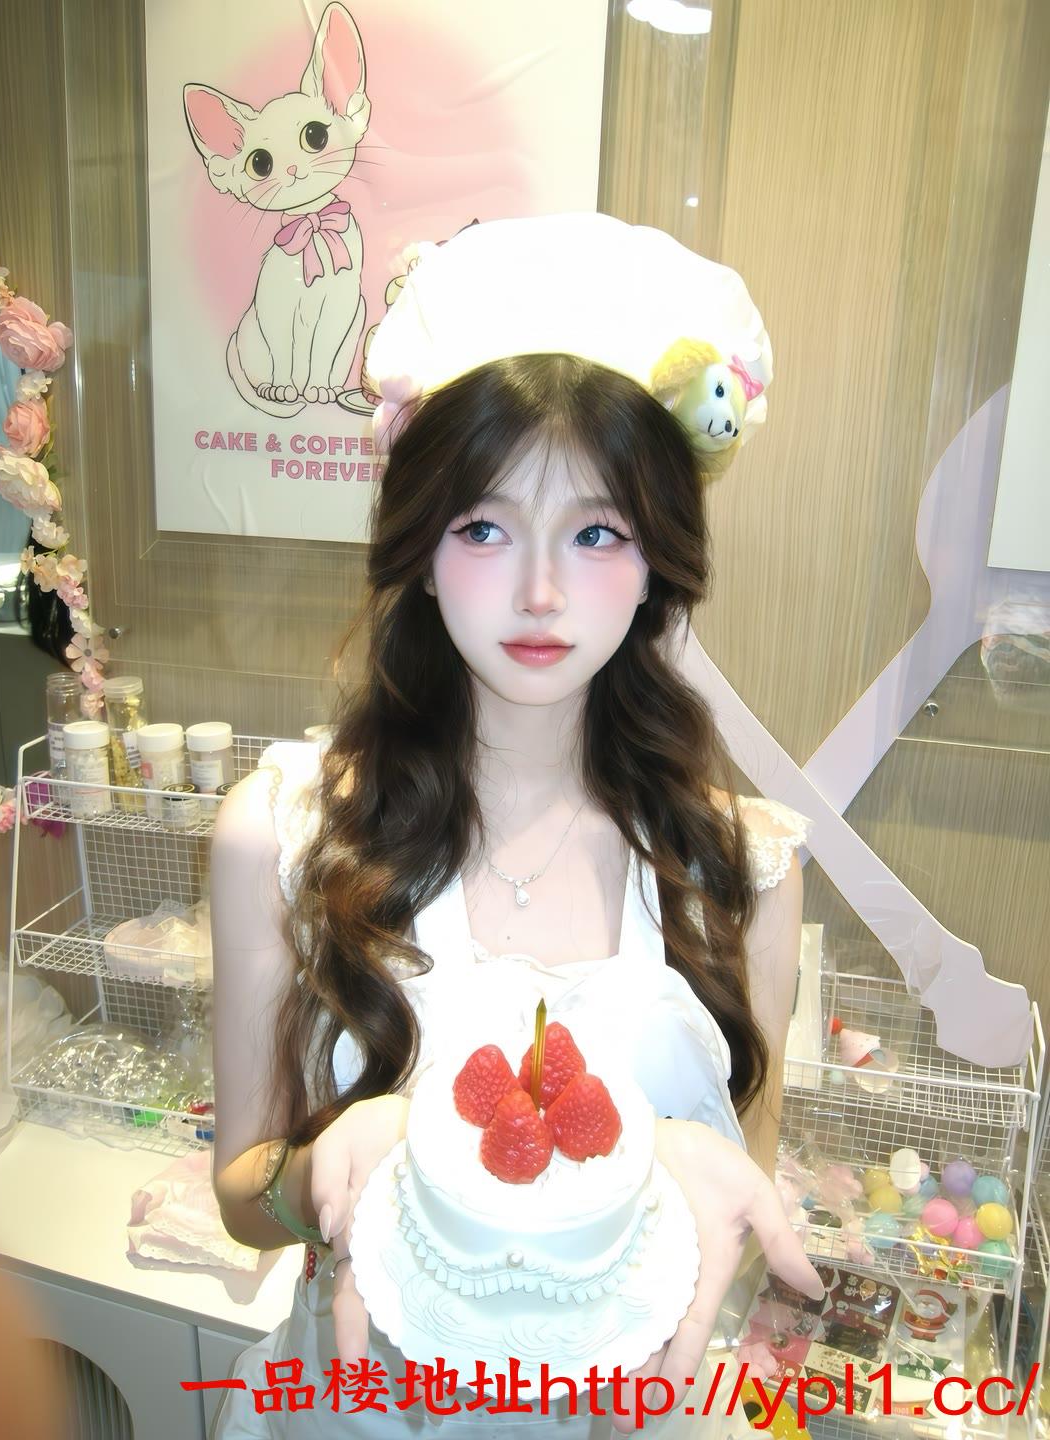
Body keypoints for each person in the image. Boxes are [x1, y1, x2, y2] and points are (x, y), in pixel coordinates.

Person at [207, 213, 825, 1439]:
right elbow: (240, 1196)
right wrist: (322, 1172)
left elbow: (738, 1192)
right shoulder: (282, 832)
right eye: (484, 527)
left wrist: (683, 1183)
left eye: (596, 533)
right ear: (423, 550)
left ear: (655, 563)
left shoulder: (737, 865)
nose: (541, 591)